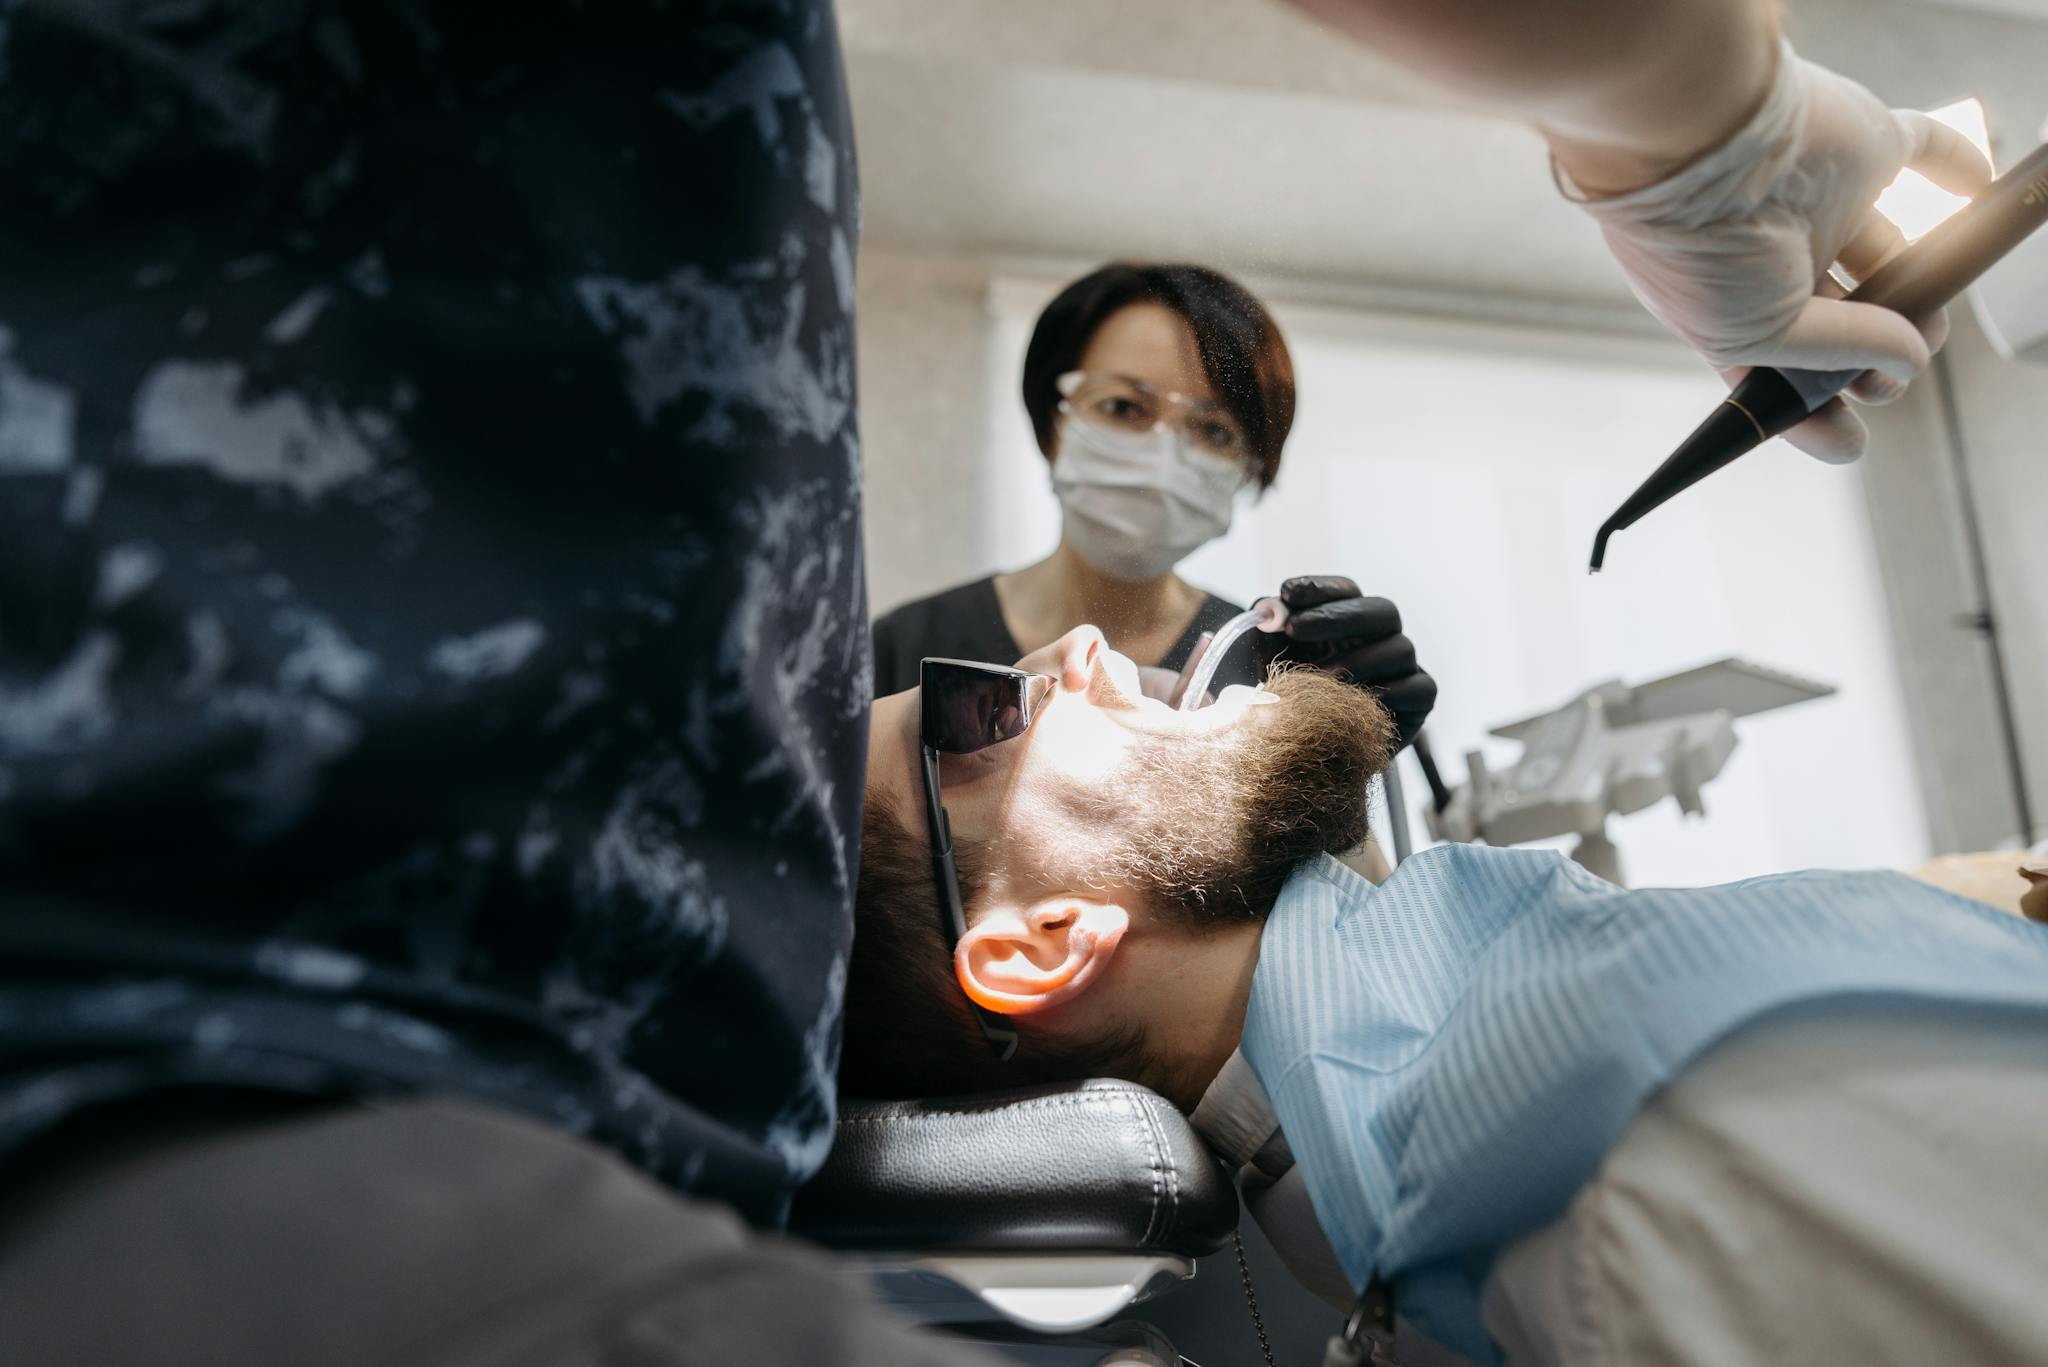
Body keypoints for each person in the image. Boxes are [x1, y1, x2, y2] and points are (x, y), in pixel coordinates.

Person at [842, 626, 2048, 1365]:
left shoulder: (1572, 1035)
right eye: (981, 711)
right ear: (1038, 945)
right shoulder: (1620, 1178)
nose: (1086, 647)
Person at [868, 262, 1439, 749]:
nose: (1163, 455)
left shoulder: (1272, 672)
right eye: (1122, 406)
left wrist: (1342, 768)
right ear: (1053, 423)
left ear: (1251, 469)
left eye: (1213, 431)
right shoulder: (904, 651)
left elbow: (1348, 884)